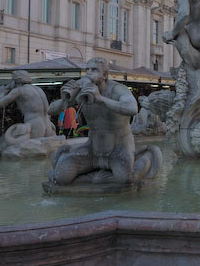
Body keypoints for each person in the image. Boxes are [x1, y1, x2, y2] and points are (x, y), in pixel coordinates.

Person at [47, 57, 140, 187]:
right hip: (93, 149)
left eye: (94, 70)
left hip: (118, 148)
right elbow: (50, 110)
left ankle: (143, 158)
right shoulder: (82, 90)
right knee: (62, 176)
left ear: (105, 75)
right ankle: (93, 175)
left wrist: (100, 99)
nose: (89, 73)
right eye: (87, 69)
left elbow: (132, 108)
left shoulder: (118, 89)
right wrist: (65, 100)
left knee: (124, 179)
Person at [0, 70, 58, 141]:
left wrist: (1, 93)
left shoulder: (19, 90)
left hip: (34, 125)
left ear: (15, 80)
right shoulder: (38, 89)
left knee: (3, 143)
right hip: (49, 125)